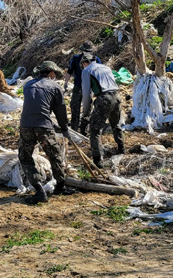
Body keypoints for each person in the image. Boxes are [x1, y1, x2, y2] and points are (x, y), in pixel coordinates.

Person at [19, 61, 74, 204]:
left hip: (26, 125)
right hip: (43, 126)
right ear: (51, 73)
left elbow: (35, 104)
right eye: (54, 73)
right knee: (54, 155)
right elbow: (60, 111)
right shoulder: (54, 86)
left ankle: (38, 190)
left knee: (25, 157)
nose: (55, 76)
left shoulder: (28, 84)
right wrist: (64, 129)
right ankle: (60, 186)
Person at [80, 53, 124, 168]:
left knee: (95, 130)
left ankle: (97, 160)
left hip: (104, 98)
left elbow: (86, 94)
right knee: (116, 125)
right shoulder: (106, 67)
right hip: (117, 96)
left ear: (84, 63)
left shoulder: (87, 71)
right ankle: (121, 148)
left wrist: (85, 111)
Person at [63, 41, 102, 135]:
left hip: (89, 88)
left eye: (89, 51)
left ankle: (85, 131)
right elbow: (70, 71)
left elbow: (100, 72)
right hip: (78, 86)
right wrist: (66, 82)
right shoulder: (76, 58)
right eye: (86, 50)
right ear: (82, 50)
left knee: (87, 109)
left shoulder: (96, 59)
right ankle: (74, 130)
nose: (87, 52)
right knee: (75, 108)